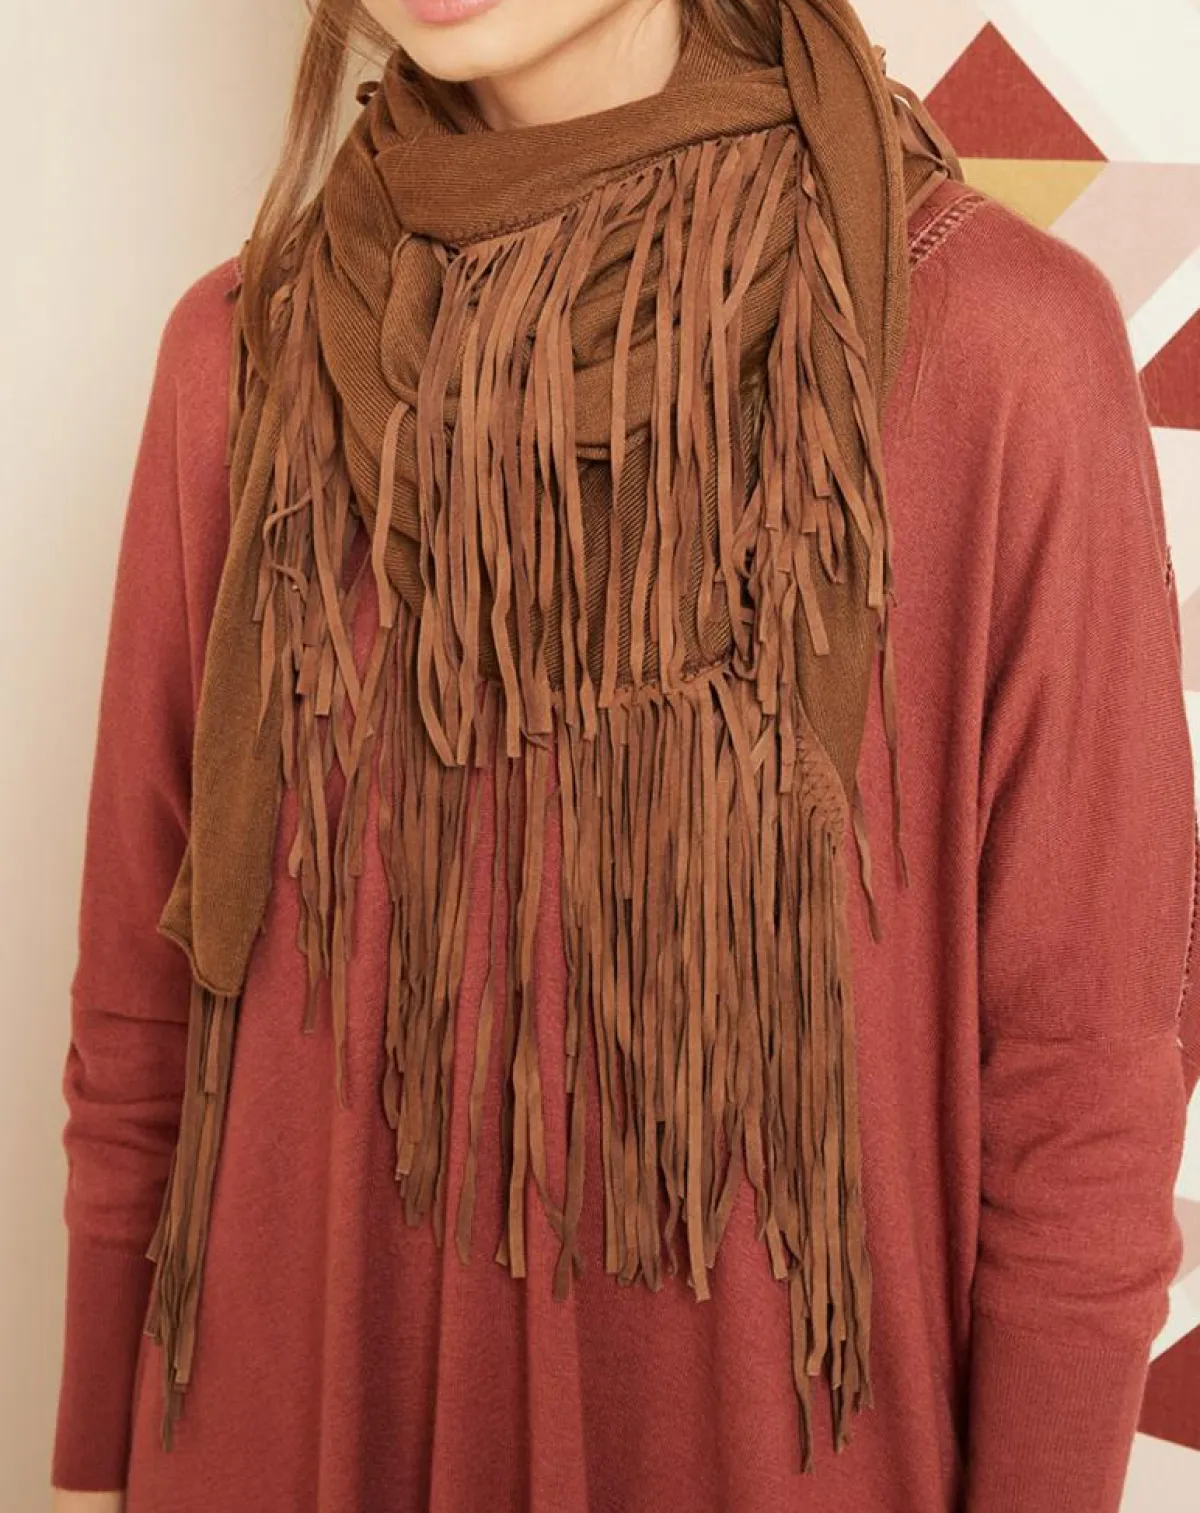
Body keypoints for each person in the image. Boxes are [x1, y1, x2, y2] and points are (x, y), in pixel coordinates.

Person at [49, 1, 1200, 1511]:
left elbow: (1082, 1100)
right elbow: (142, 1012)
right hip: (273, 1440)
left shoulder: (994, 347)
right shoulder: (239, 353)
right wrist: (88, 1468)